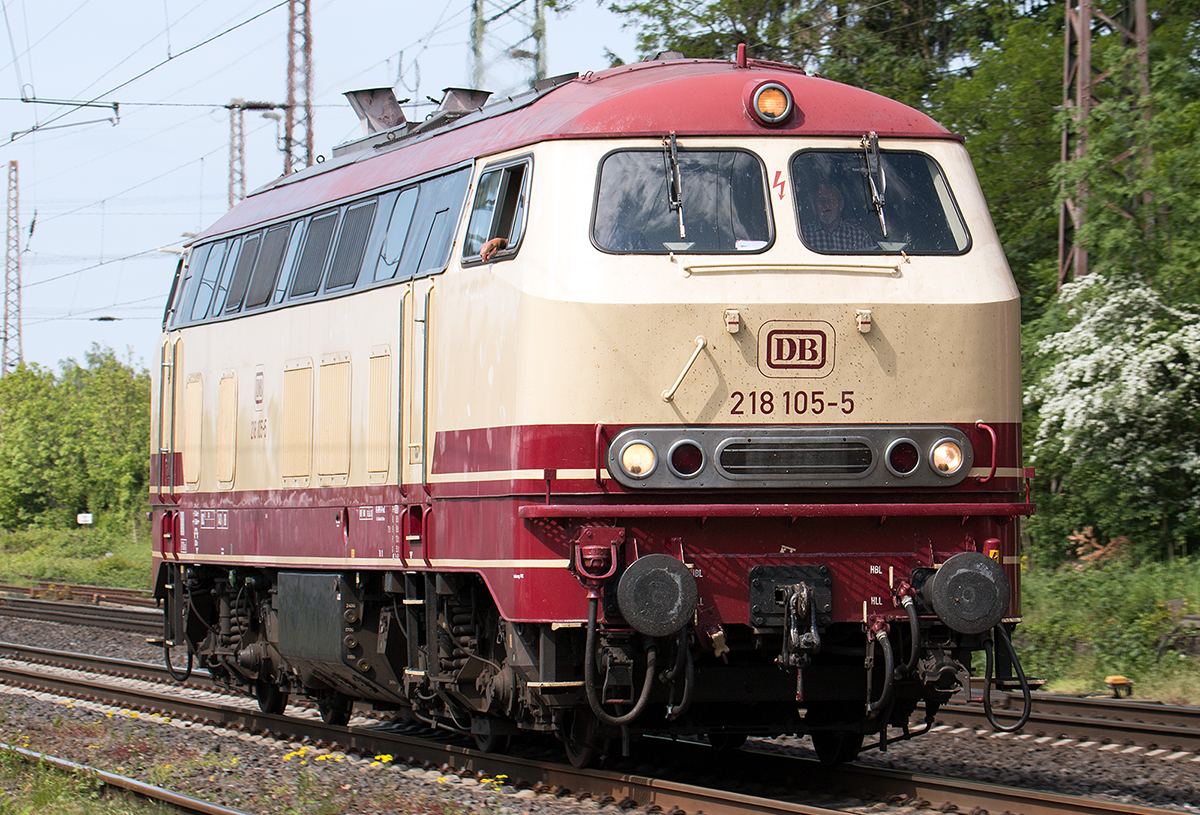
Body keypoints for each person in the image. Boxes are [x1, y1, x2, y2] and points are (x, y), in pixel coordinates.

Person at [803, 184, 874, 252]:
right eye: (821, 201)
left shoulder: (859, 236)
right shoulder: (803, 235)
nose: (826, 205)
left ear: (840, 205)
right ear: (814, 206)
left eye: (831, 200)